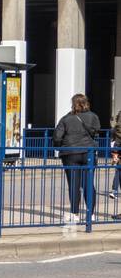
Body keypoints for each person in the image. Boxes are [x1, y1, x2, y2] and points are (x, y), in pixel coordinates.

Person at [53, 93, 99, 221]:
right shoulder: (93, 117)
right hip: (89, 153)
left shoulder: (66, 119)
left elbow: (57, 137)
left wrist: (59, 146)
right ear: (86, 103)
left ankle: (75, 213)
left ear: (73, 104)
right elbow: (96, 131)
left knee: (74, 184)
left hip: (70, 153)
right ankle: (91, 214)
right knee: (88, 183)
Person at [108, 113, 121, 202]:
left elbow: (113, 140)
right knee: (118, 171)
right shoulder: (116, 129)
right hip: (117, 150)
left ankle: (114, 190)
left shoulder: (114, 129)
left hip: (116, 150)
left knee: (118, 171)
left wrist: (114, 154)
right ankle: (114, 190)